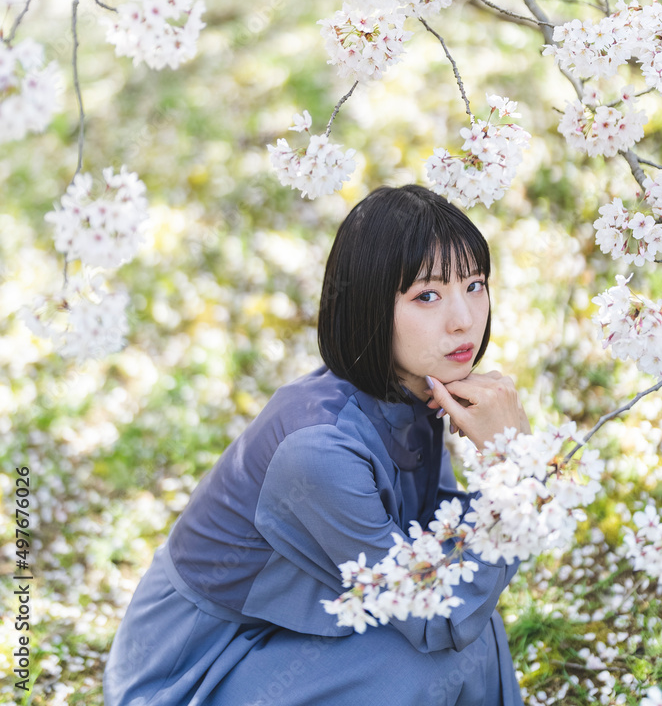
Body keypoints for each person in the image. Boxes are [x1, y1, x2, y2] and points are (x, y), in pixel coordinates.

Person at [103, 184, 530, 706]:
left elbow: (436, 540)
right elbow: (436, 613)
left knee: (472, 626)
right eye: (427, 295)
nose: (463, 318)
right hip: (195, 669)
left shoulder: (414, 390)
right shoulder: (320, 449)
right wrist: (516, 469)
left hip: (293, 633)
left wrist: (507, 466)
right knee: (439, 650)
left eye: (475, 284)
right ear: (370, 305)